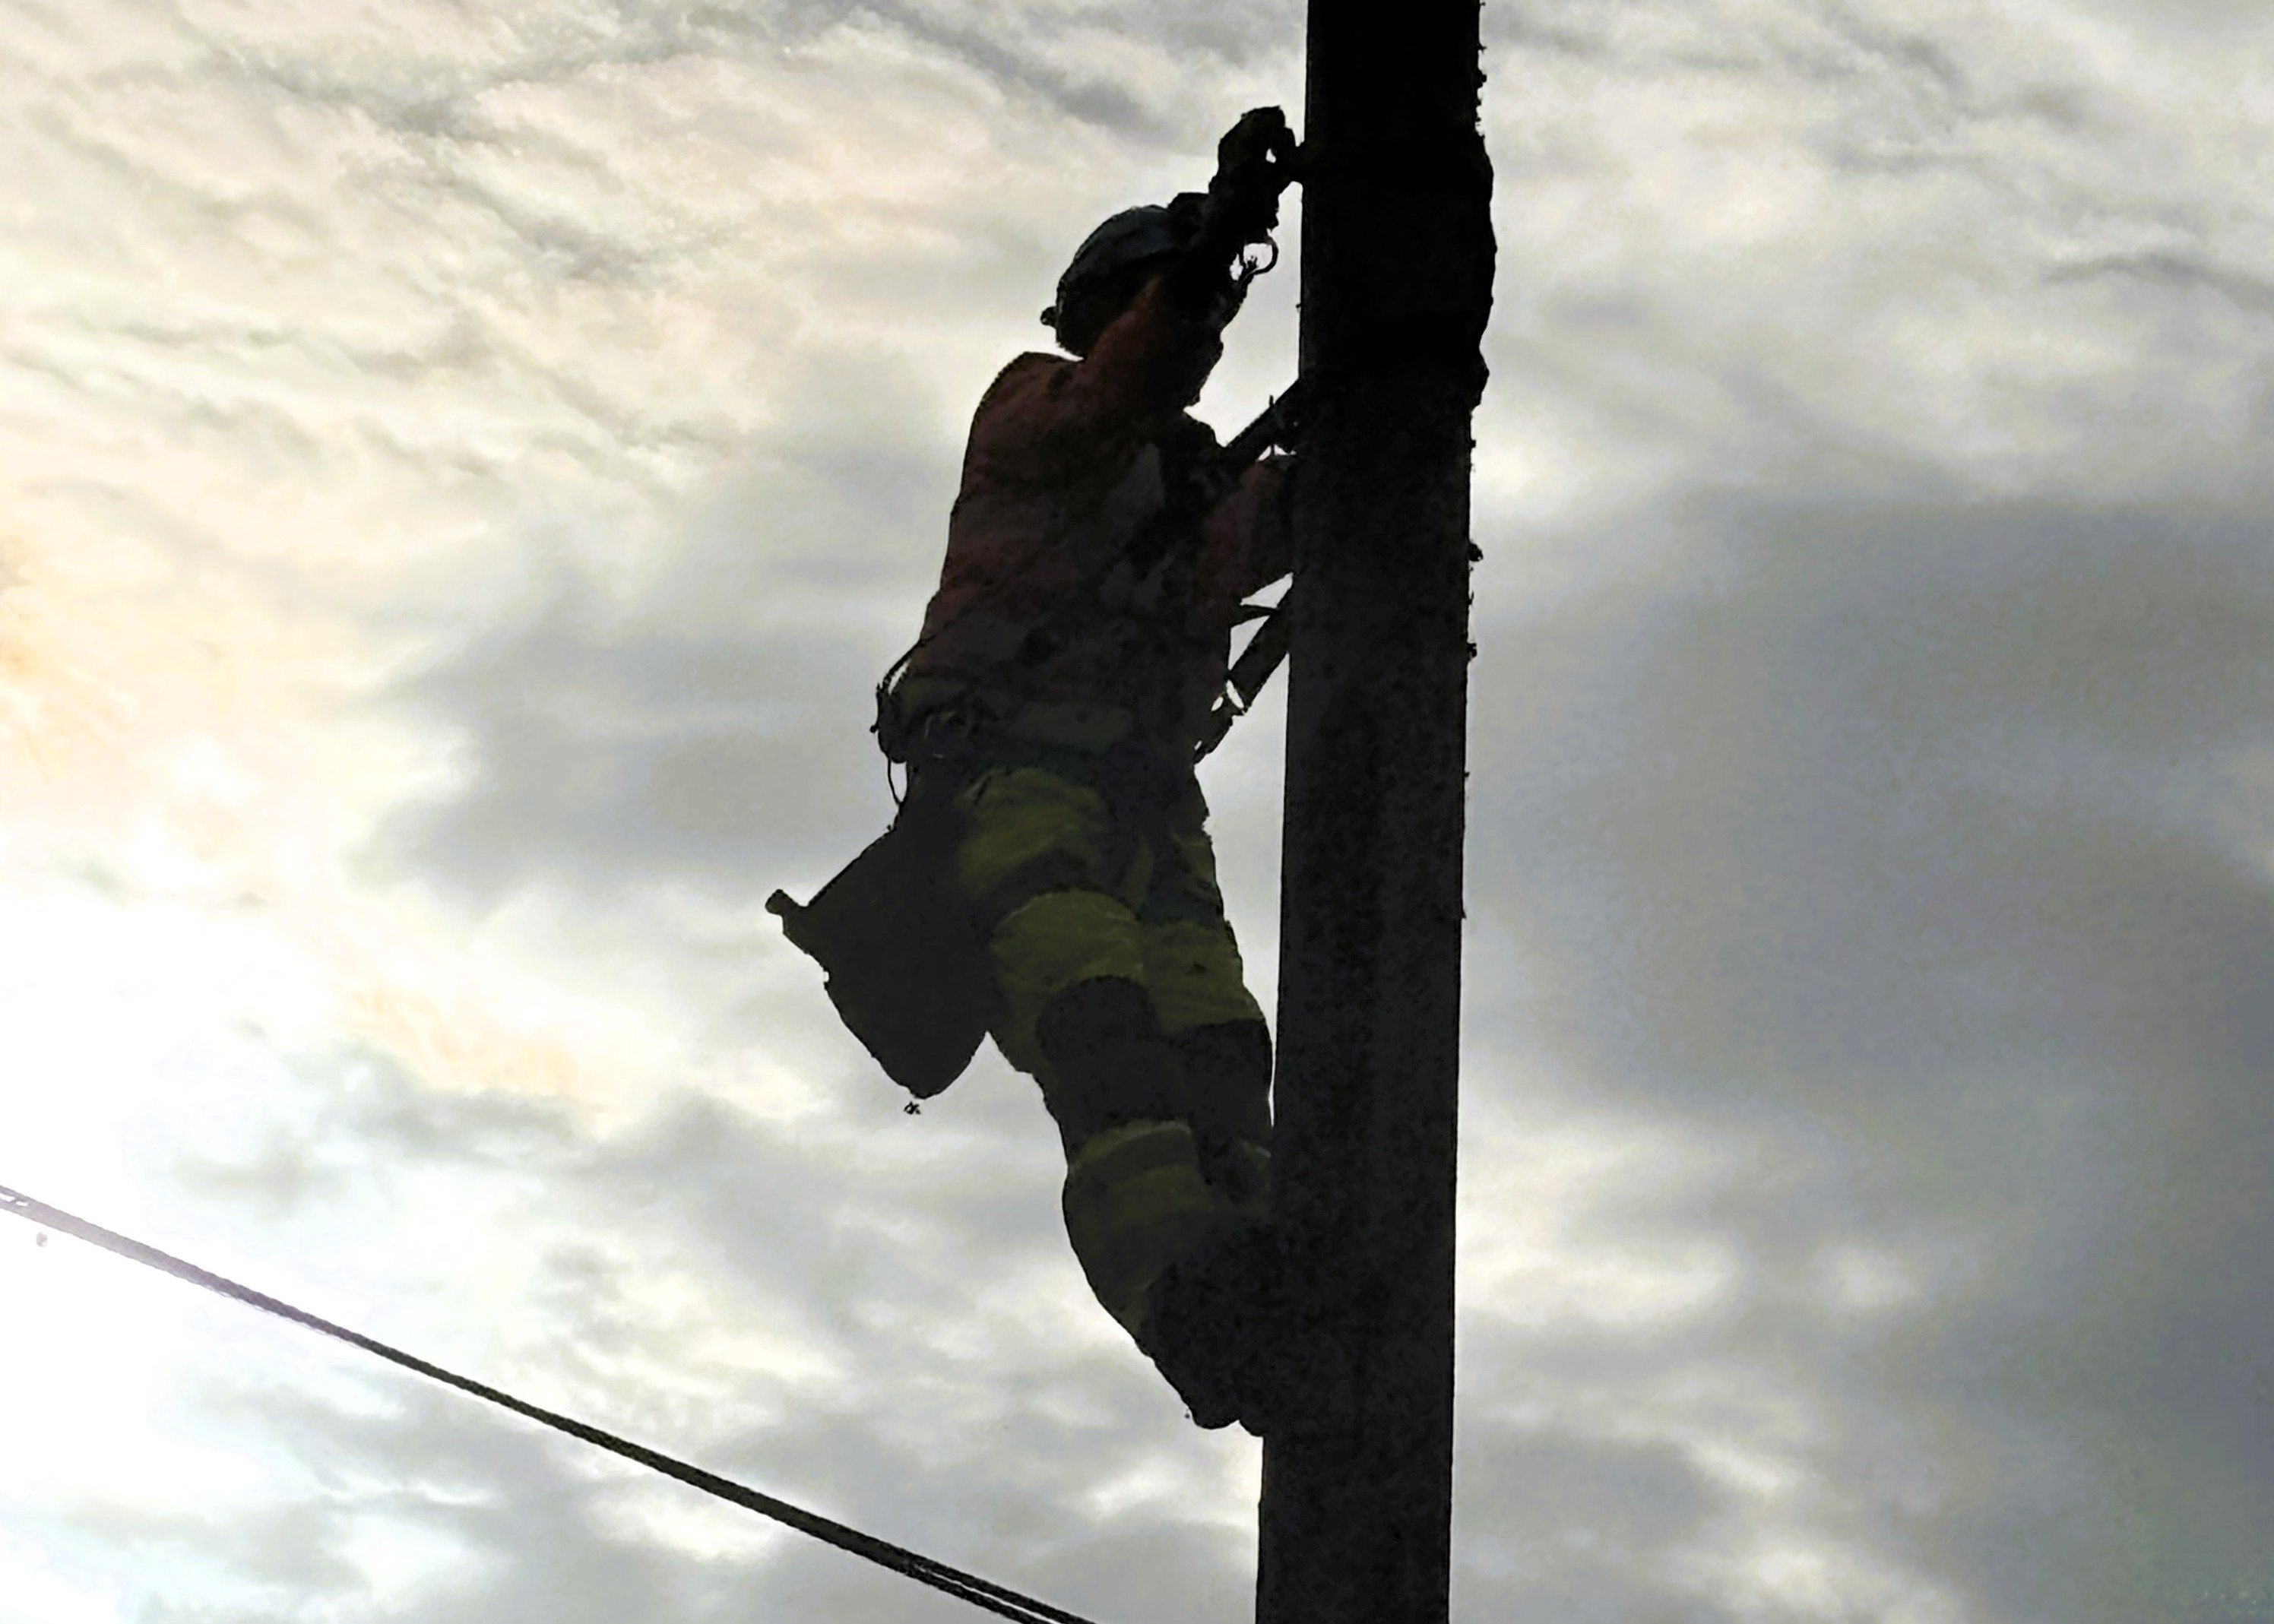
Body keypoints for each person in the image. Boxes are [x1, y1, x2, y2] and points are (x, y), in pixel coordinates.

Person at [880, 109, 1301, 1432]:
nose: (1180, 330)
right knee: (1105, 1036)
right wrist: (1223, 240)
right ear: (1101, 316)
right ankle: (1188, 1295)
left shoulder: (1212, 491)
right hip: (1019, 789)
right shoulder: (1036, 410)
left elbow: (1349, 490)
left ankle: (1274, 1263)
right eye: (1151, 303)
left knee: (1225, 1056)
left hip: (1149, 811)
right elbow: (1133, 384)